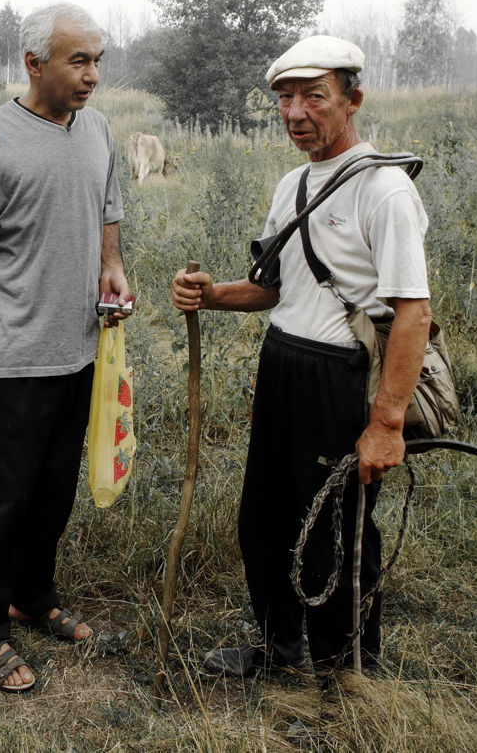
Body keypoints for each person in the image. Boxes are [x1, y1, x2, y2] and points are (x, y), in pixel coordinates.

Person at [171, 36, 432, 679]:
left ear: (352, 100)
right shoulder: (293, 184)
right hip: (282, 363)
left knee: (333, 533)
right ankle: (279, 653)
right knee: (264, 522)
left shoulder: (384, 190)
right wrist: (212, 295)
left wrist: (386, 422)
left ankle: (346, 677)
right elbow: (275, 288)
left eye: (314, 97)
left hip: (339, 377)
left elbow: (412, 314)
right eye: (285, 99)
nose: (295, 113)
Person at [0, 3, 130, 693]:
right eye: (80, 60)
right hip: (16, 351)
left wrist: (112, 266)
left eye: (97, 60)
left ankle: (30, 594)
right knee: (2, 499)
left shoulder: (96, 128)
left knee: (52, 489)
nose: (93, 74)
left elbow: (107, 206)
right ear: (34, 64)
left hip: (80, 345)